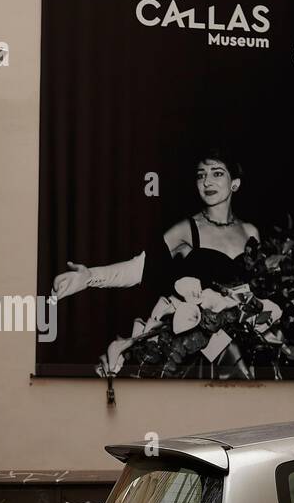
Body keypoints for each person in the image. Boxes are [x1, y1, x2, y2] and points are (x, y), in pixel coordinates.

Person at [52, 151, 260, 377]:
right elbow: (138, 268)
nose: (207, 181)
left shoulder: (250, 232)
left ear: (235, 184)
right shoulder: (186, 230)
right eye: (201, 175)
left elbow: (258, 291)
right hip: (200, 355)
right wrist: (88, 276)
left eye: (217, 174)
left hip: (246, 345)